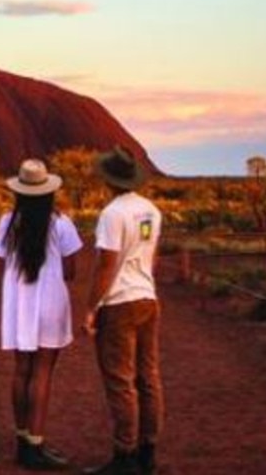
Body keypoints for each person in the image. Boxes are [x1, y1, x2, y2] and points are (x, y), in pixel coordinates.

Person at [0, 158, 83, 471]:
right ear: (48, 191)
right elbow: (71, 270)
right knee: (42, 371)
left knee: (21, 370)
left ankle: (21, 441)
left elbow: (0, 265)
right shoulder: (60, 223)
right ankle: (36, 445)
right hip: (50, 302)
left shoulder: (7, 222)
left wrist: (15, 285)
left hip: (17, 303)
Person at [82, 146, 163, 475]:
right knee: (149, 377)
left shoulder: (112, 213)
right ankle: (148, 452)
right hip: (147, 298)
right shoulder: (152, 210)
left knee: (120, 380)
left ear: (108, 180)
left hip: (119, 304)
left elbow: (105, 264)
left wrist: (91, 308)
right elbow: (152, 256)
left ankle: (124, 456)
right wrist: (144, 283)